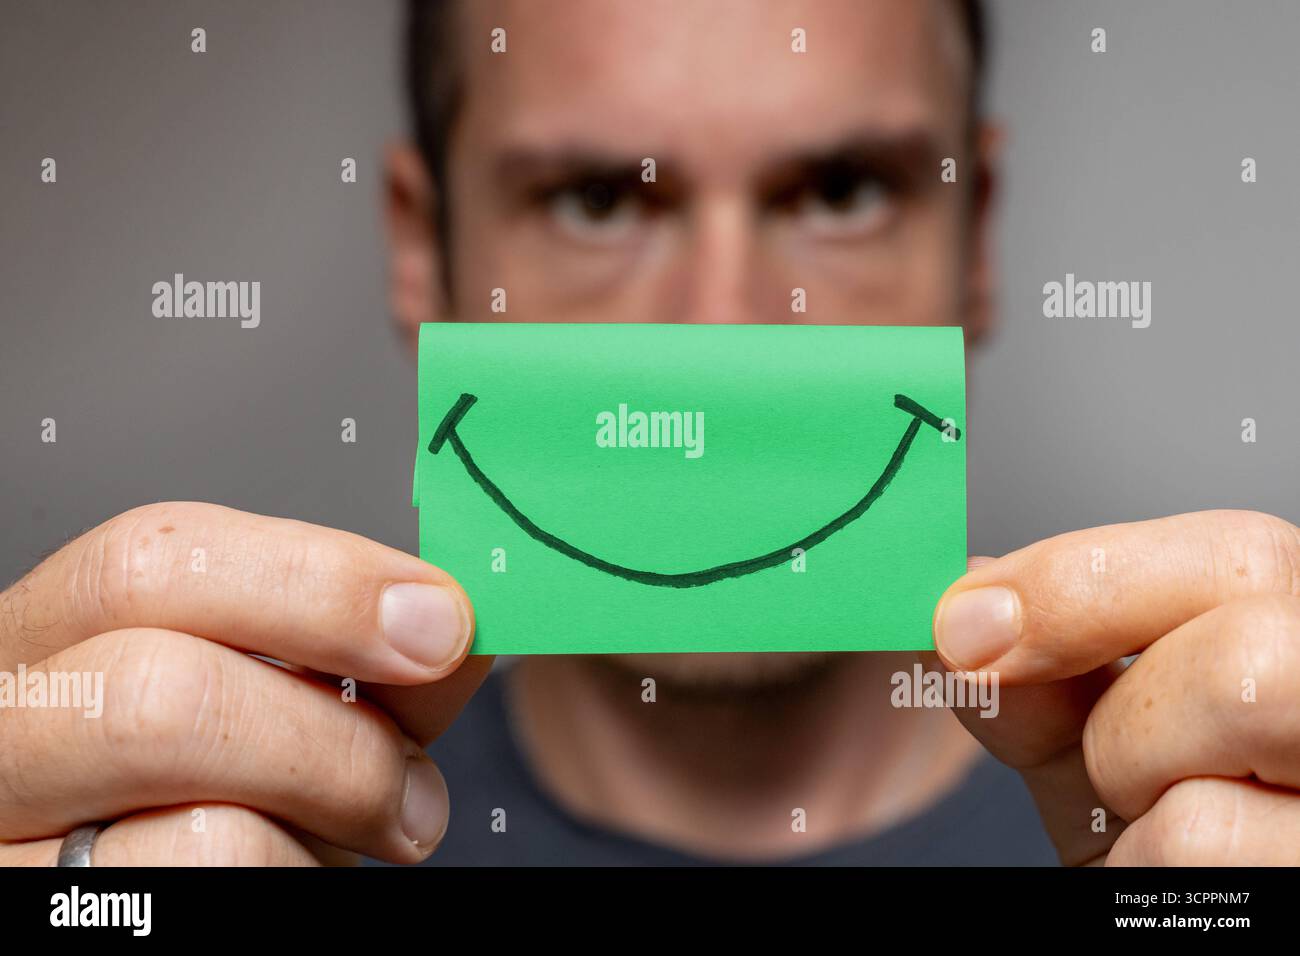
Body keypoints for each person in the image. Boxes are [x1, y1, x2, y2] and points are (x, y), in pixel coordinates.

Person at [3, 0, 1298, 867]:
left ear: (979, 235)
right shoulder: (233, 840)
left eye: (840, 191)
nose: (720, 331)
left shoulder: (1200, 840)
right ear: (421, 251)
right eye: (595, 202)